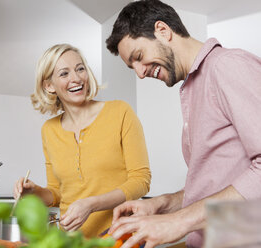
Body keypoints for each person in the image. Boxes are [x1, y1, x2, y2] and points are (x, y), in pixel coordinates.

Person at [105, 0, 261, 247]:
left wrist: (181, 221)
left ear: (163, 31)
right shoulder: (192, 88)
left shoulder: (227, 66)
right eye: (131, 67)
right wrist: (164, 203)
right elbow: (214, 185)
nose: (140, 73)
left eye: (139, 57)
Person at [13, 44, 151, 238]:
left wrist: (91, 205)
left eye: (80, 69)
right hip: (72, 240)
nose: (76, 78)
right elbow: (56, 193)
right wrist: (33, 192)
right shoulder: (49, 130)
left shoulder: (120, 112)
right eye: (64, 74)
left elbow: (140, 181)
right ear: (49, 85)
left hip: (122, 237)